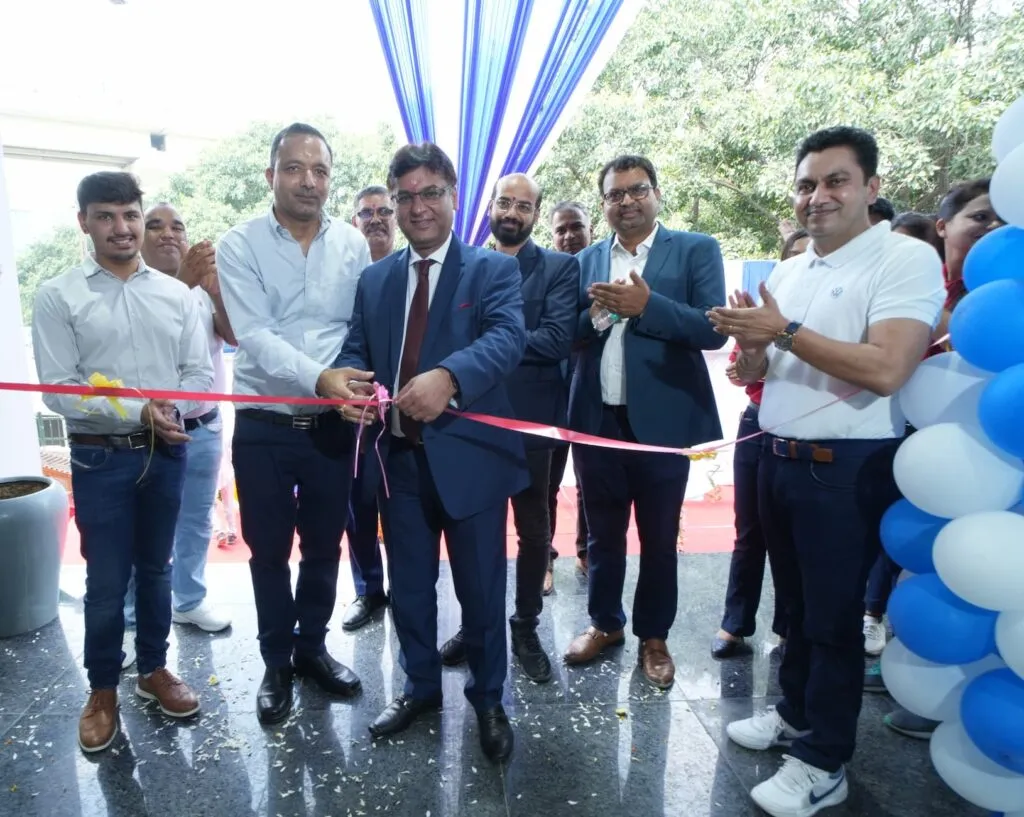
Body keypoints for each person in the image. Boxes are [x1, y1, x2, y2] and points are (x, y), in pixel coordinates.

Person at [709, 126, 944, 817]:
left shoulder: (904, 259)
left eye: (836, 180)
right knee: (796, 610)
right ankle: (794, 714)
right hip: (776, 457)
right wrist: (752, 350)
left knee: (835, 619)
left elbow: (887, 367)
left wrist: (780, 332)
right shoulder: (790, 271)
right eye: (807, 184)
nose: (818, 196)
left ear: (871, 187)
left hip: (847, 467)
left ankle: (824, 760)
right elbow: (759, 369)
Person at [334, 142, 529, 762]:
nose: (418, 207)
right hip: (398, 463)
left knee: (481, 591)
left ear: (454, 197)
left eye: (431, 193)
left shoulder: (491, 271)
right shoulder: (376, 280)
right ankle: (419, 687)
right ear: (393, 204)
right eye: (406, 197)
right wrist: (349, 386)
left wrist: (450, 375)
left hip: (471, 460)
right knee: (410, 588)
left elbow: (508, 338)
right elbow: (357, 349)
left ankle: (489, 699)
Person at [32, 171, 212, 753]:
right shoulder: (59, 295)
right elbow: (59, 389)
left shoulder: (177, 295)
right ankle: (102, 689)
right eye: (105, 216)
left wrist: (173, 409)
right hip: (98, 457)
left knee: (157, 569)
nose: (121, 227)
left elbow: (199, 376)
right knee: (107, 580)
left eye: (130, 214)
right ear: (83, 222)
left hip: (166, 452)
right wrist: (140, 411)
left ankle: (153, 670)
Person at [216, 123, 369, 725]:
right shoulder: (240, 244)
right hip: (265, 425)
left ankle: (312, 649)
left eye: (320, 170)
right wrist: (321, 378)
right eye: (295, 168)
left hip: (333, 427)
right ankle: (276, 660)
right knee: (269, 550)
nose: (309, 180)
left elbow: (357, 328)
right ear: (271, 175)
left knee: (326, 546)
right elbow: (253, 335)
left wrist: (351, 382)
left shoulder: (352, 244)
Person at [564, 154, 727, 690]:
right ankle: (605, 623)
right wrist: (594, 317)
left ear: (656, 194)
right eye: (615, 194)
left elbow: (713, 328)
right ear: (604, 204)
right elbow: (565, 332)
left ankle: (654, 639)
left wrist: (646, 305)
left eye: (637, 190)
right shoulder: (586, 259)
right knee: (602, 534)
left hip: (664, 424)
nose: (627, 201)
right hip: (596, 421)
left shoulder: (696, 249)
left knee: (659, 536)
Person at [869, 179, 1004, 740]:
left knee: (978, 561)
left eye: (1003, 220)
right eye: (981, 217)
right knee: (907, 549)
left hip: (988, 461)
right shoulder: (919, 285)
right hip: (910, 442)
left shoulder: (1002, 297)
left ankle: (964, 681)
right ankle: (910, 659)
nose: (994, 230)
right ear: (944, 226)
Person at [438, 174, 578, 683]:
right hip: (475, 417)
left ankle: (525, 626)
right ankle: (477, 625)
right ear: (489, 208)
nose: (512, 212)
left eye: (523, 205)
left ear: (536, 214)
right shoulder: (465, 265)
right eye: (504, 202)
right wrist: (496, 344)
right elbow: (450, 336)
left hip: (533, 420)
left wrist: (492, 341)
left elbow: (558, 339)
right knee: (475, 530)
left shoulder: (559, 268)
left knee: (534, 528)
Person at [121, 204, 233, 635]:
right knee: (145, 526)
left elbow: (234, 336)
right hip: (148, 431)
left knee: (197, 521)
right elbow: (153, 339)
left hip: (202, 426)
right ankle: (133, 617)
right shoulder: (132, 289)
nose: (169, 233)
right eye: (156, 226)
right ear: (140, 237)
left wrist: (215, 290)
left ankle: (189, 600)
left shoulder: (202, 288)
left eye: (178, 227)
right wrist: (185, 283)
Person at [710, 232, 805, 659]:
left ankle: (788, 627)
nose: (803, 264)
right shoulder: (763, 313)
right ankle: (735, 623)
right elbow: (739, 373)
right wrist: (752, 357)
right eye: (794, 257)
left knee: (793, 538)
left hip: (805, 431)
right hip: (758, 424)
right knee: (749, 531)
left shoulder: (833, 310)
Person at [339, 185, 398, 631]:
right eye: (366, 213)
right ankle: (368, 590)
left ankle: (407, 585)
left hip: (406, 414)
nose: (375, 219)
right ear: (354, 221)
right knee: (358, 508)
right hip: (355, 413)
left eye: (384, 211)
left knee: (402, 507)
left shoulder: (410, 271)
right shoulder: (345, 276)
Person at [547, 201, 594, 586]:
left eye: (576, 227)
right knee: (545, 482)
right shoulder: (545, 272)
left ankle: (588, 553)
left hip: (592, 389)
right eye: (560, 230)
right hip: (549, 392)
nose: (569, 236)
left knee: (590, 479)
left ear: (590, 229)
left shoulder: (602, 269)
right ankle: (542, 560)